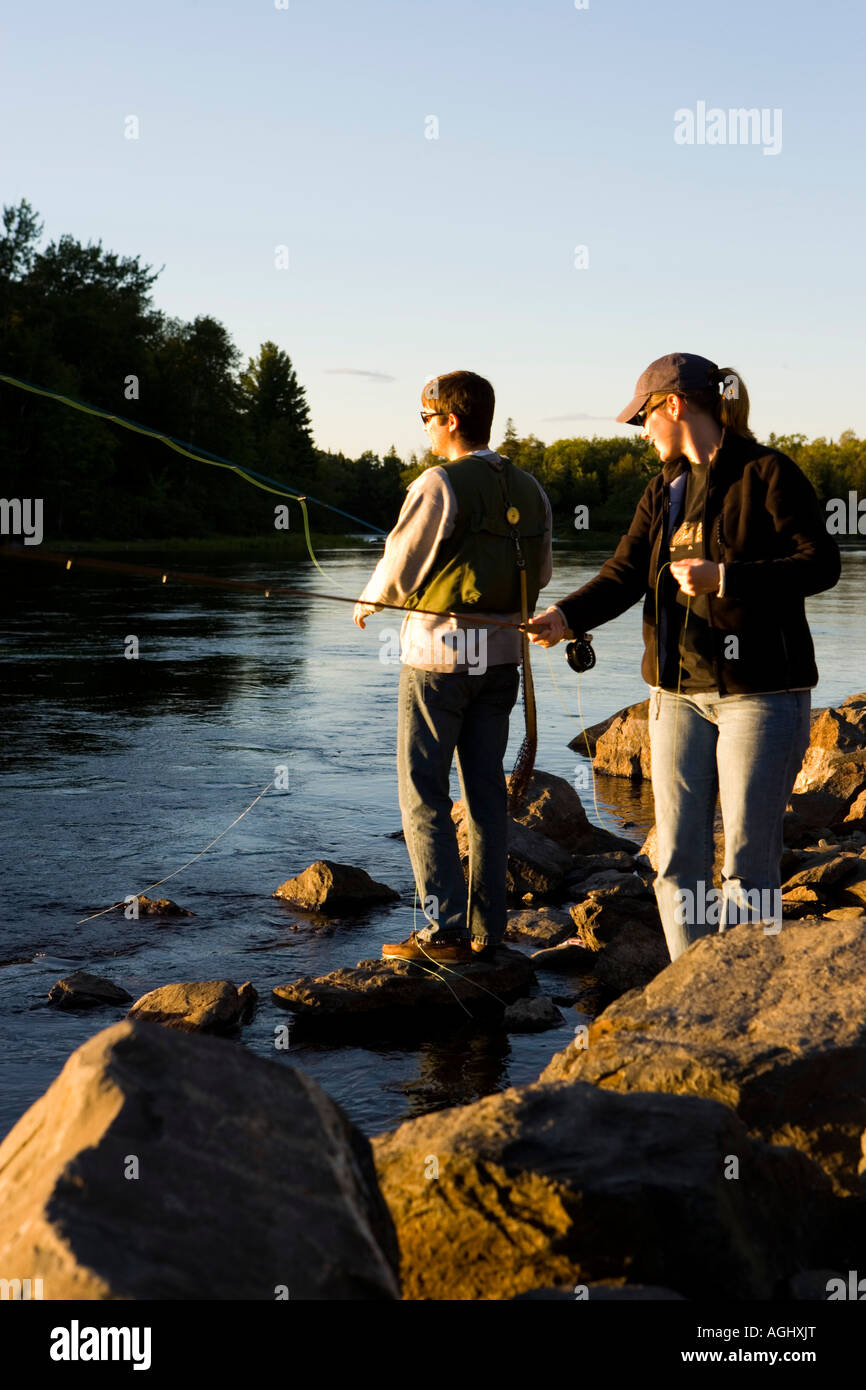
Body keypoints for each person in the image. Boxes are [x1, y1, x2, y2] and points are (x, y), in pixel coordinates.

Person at [529, 352, 841, 961]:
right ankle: (690, 991)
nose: (643, 430)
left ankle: (740, 999)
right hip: (674, 696)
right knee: (675, 857)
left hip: (762, 695)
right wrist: (566, 617)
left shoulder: (769, 473)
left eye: (644, 416)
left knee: (748, 864)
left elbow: (821, 563)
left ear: (674, 405)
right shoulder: (661, 490)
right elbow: (623, 574)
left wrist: (726, 578)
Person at [354, 369, 553, 962]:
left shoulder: (438, 483)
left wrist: (369, 603)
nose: (424, 429)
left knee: (423, 794)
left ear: (451, 420)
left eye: (426, 418)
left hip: (440, 658)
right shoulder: (530, 488)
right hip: (500, 660)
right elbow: (539, 574)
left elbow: (401, 563)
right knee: (487, 794)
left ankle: (442, 933)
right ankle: (489, 932)